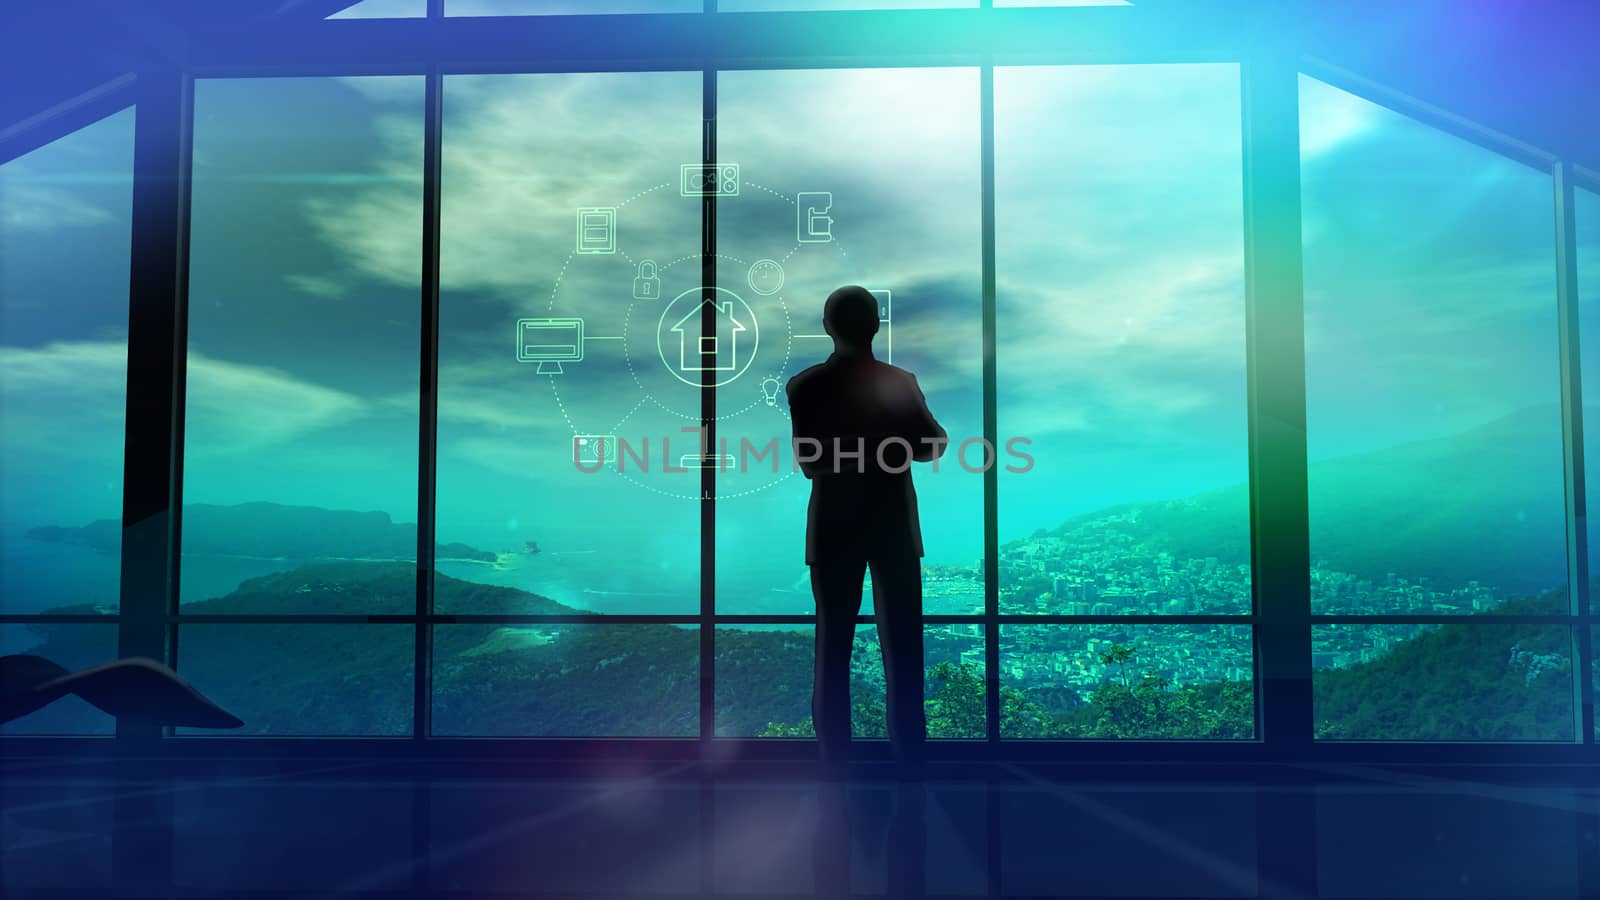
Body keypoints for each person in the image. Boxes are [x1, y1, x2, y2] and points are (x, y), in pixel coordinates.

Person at [786, 285, 947, 769]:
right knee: (904, 651)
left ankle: (835, 762)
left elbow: (811, 462)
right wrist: (890, 441)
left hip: (833, 529)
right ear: (877, 326)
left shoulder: (805, 386)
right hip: (892, 527)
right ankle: (910, 760)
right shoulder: (901, 382)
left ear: (827, 327)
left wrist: (855, 445)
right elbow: (933, 444)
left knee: (831, 651)